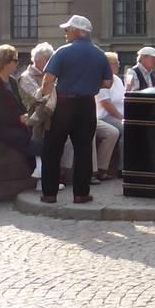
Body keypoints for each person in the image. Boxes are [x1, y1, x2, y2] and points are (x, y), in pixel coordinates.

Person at [37, 15, 114, 205]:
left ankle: (49, 194)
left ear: (78, 32)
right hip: (87, 105)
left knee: (52, 149)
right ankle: (81, 194)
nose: (65, 34)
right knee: (84, 150)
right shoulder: (99, 54)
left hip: (63, 105)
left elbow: (47, 81)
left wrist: (44, 99)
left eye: (68, 30)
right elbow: (108, 82)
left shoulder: (63, 52)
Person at [0, 44, 38, 174]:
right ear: (5, 62)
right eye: (15, 60)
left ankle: (40, 172)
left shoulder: (11, 81)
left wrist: (26, 116)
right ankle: (39, 172)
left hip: (12, 123)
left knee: (37, 132)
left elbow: (20, 104)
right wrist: (19, 119)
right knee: (25, 137)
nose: (17, 63)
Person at [95, 51, 126, 180]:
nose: (118, 65)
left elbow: (123, 98)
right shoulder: (102, 79)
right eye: (116, 63)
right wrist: (122, 117)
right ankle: (122, 167)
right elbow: (106, 103)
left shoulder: (117, 79)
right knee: (125, 129)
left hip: (118, 115)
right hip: (104, 116)